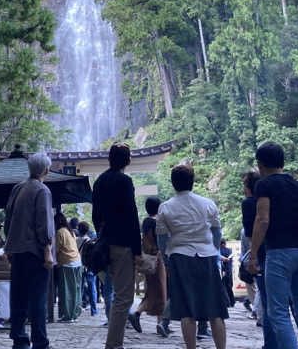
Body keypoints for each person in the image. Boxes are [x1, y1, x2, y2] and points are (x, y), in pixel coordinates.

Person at [246, 142, 298, 349]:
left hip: (279, 252)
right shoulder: (297, 184)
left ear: (260, 164)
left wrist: (253, 254)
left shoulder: (264, 185)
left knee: (278, 312)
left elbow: (262, 219)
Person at [156, 164, 227, 349]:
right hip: (207, 257)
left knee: (187, 311)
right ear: (192, 182)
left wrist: (166, 260)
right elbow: (216, 233)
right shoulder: (208, 204)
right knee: (215, 310)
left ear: (173, 183)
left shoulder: (165, 208)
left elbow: (162, 240)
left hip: (180, 258)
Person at [92, 142, 141, 349]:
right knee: (123, 297)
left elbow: (95, 216)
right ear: (128, 160)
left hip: (105, 244)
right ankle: (113, 344)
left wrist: (102, 236)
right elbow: (132, 216)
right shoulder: (124, 181)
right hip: (122, 245)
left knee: (117, 295)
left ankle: (114, 343)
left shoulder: (100, 180)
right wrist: (137, 251)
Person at [5, 152, 55, 349]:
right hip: (35, 252)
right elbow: (44, 224)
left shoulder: (17, 188)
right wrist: (47, 248)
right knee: (37, 298)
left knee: (18, 296)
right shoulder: (42, 190)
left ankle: (19, 338)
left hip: (16, 250)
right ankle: (40, 341)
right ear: (45, 170)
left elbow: (7, 220)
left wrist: (9, 244)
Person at [241, 169, 276, 347]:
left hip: (262, 253)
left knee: (267, 299)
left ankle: (271, 343)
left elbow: (250, 233)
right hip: (279, 249)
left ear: (248, 187)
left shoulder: (248, 204)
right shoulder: (273, 197)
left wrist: (252, 255)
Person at [128, 196, 167, 334]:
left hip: (147, 260)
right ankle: (157, 322)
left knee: (152, 291)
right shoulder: (157, 222)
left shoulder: (145, 222)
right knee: (161, 292)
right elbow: (161, 244)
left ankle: (159, 323)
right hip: (157, 260)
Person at [54, 212, 82, 322]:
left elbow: (56, 250)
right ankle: (74, 313)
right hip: (77, 262)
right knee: (75, 290)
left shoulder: (59, 232)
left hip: (66, 263)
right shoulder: (70, 232)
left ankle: (68, 315)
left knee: (66, 290)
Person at [76, 221, 97, 316]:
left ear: (78, 229)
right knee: (92, 287)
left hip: (79, 266)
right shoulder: (90, 241)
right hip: (89, 267)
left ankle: (78, 309)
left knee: (79, 288)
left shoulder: (75, 240)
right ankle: (94, 310)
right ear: (87, 230)